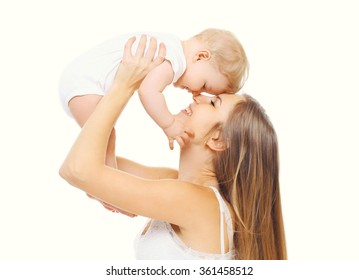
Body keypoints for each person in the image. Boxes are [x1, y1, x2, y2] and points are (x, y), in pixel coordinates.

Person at [59, 36, 286, 260]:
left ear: (218, 140)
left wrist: (123, 85)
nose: (198, 97)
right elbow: (89, 163)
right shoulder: (179, 184)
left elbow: (78, 170)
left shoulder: (196, 201)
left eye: (213, 102)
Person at [58, 28, 249, 175]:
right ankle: (103, 183)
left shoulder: (171, 44)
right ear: (201, 57)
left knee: (105, 141)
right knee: (106, 138)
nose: (196, 93)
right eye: (205, 85)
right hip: (86, 84)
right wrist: (169, 124)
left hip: (80, 81)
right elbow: (148, 92)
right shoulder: (174, 58)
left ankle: (104, 180)